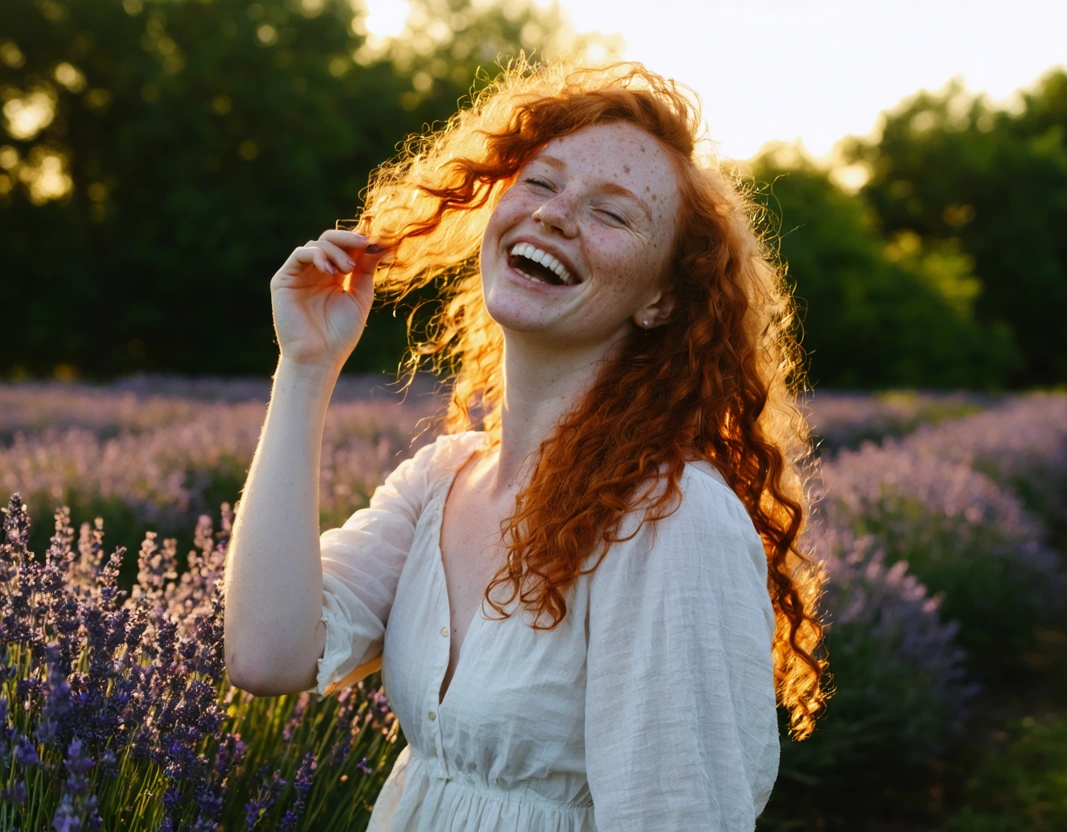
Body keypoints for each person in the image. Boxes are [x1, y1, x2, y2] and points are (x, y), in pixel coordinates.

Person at [223, 61, 829, 831]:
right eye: (541, 184)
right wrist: (305, 369)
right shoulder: (444, 480)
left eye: (612, 214)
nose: (556, 214)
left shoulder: (671, 523)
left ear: (660, 301)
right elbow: (268, 656)